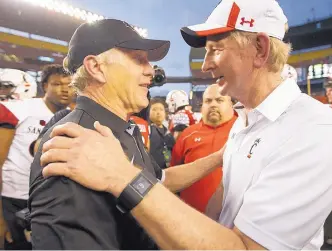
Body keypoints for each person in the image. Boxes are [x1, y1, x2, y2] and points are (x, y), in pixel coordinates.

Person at [39, 1, 332, 249]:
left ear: (259, 49)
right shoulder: (246, 123)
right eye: (139, 59)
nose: (204, 65)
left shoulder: (313, 131)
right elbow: (213, 202)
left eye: (216, 49)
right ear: (95, 67)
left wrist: (122, 175)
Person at [29, 19, 224, 250]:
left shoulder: (121, 129)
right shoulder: (74, 145)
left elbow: (160, 181)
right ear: (96, 67)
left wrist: (221, 156)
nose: (151, 70)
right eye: (138, 59)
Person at [0, 65, 72, 249]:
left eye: (70, 85)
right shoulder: (20, 110)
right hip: (13, 199)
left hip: (48, 201)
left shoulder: (74, 116)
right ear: (44, 86)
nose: (65, 89)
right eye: (57, 84)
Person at [171, 84, 237, 213]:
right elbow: (173, 176)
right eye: (208, 101)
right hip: (192, 220)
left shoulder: (244, 131)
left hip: (235, 223)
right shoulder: (186, 136)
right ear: (202, 106)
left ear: (231, 104)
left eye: (219, 100)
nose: (213, 104)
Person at [149, 98, 175, 169]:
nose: (158, 112)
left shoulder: (168, 133)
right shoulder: (147, 131)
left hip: (167, 171)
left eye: (161, 109)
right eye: (154, 109)